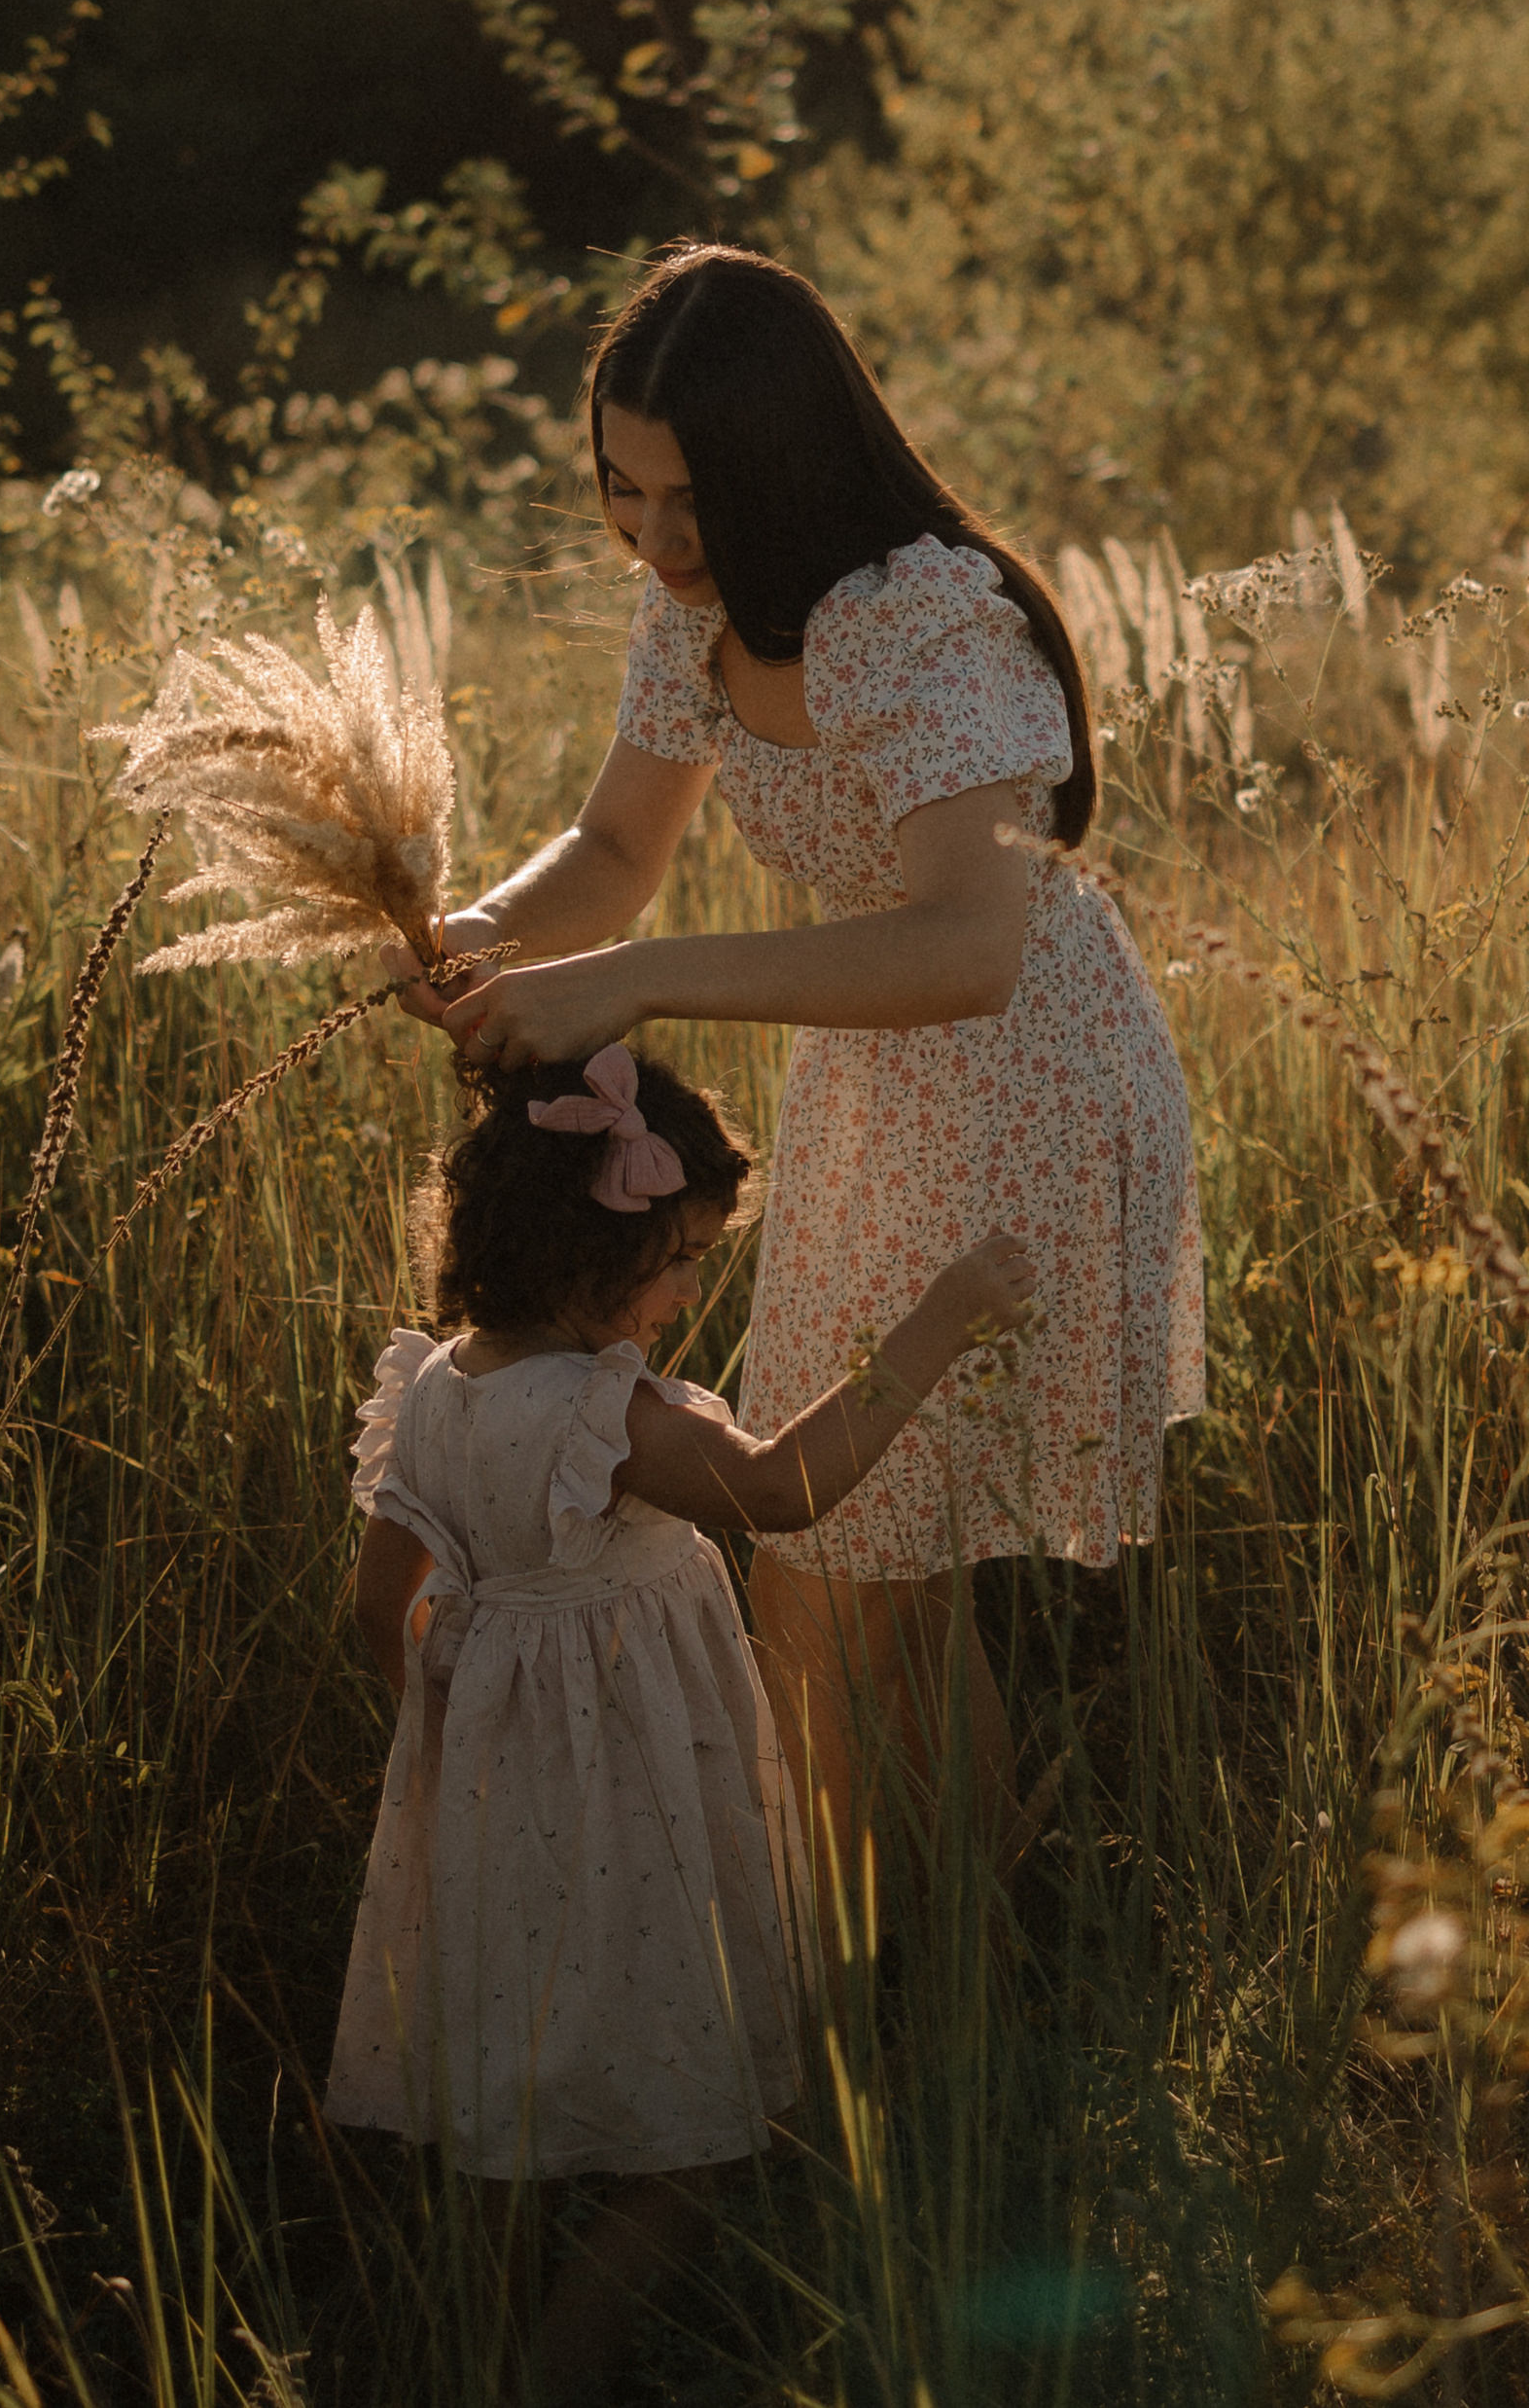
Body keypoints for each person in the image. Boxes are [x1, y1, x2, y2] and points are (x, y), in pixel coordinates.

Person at [397, 242, 1203, 1922]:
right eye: (624, 490)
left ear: (788, 467)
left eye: (693, 499)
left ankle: (886, 2000)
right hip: (879, 1082)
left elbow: (969, 946)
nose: (657, 540)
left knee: (845, 1575)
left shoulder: (924, 617)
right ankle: (935, 1985)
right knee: (852, 1576)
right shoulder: (697, 601)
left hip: (1025, 1082)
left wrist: (633, 980)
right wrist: (480, 931)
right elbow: (620, 844)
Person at [325, 1041, 1035, 2405]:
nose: (688, 1295)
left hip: (493, 1807)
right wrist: (936, 1324)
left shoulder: (428, 1390)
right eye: (680, 1260)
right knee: (697, 2136)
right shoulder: (606, 1413)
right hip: (635, 1811)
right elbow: (784, 1488)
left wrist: (472, 1726)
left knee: (502, 2113)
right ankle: (551, 2373)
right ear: (587, 1257)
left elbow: (381, 1612)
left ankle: (463, 2352)